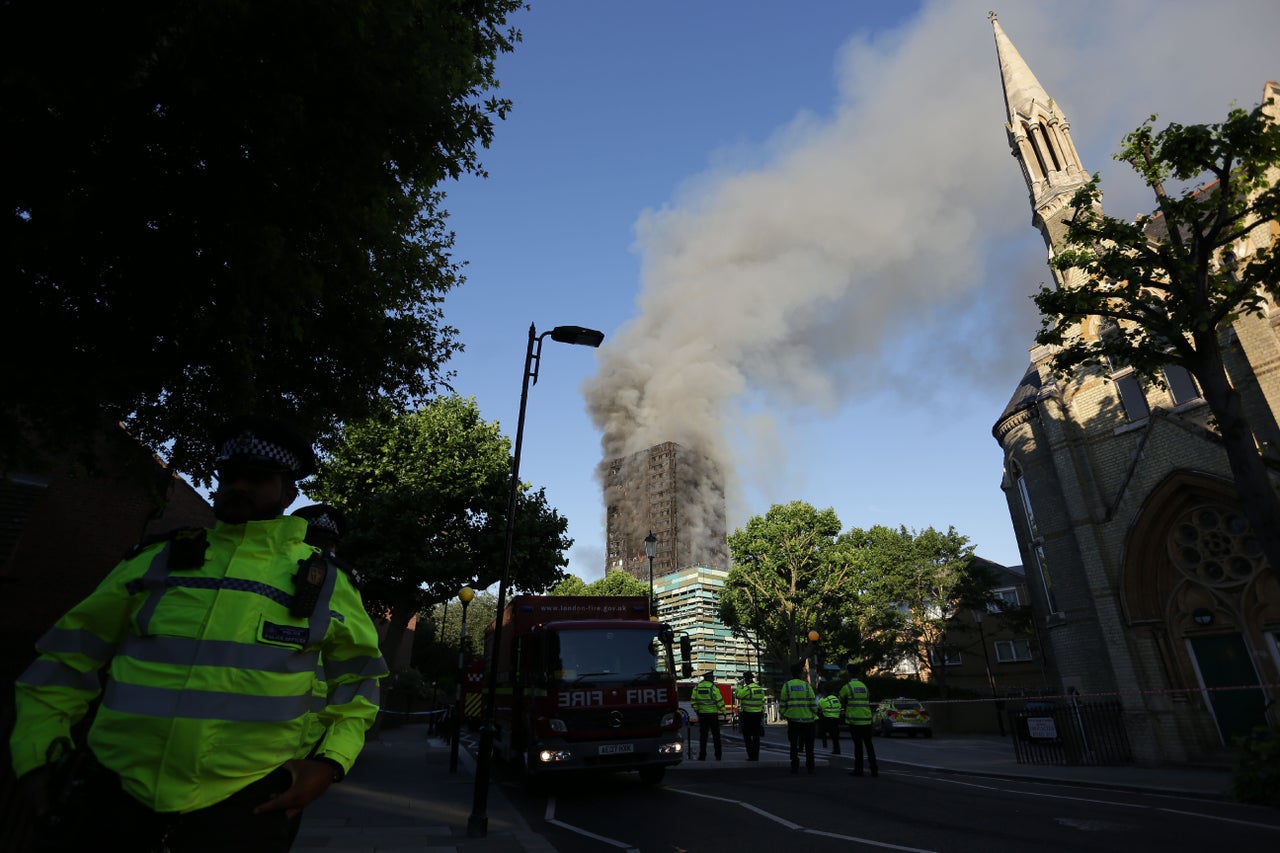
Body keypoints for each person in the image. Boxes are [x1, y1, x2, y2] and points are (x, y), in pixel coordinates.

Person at [9, 415, 389, 851]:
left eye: (257, 478)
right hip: (113, 795)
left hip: (246, 801)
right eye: (229, 476)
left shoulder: (327, 583)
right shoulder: (157, 560)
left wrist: (329, 762)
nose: (239, 487)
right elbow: (63, 661)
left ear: (288, 492)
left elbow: (359, 681)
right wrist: (38, 759)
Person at [779, 662, 818, 774]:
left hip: (793, 720)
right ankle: (810, 767)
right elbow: (812, 704)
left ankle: (794, 766)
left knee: (793, 744)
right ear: (801, 673)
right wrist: (814, 713)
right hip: (808, 720)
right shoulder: (807, 686)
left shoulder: (786, 686)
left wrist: (785, 714)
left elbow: (783, 704)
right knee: (809, 746)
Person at [839, 663, 878, 777]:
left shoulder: (847, 687)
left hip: (855, 721)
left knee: (858, 746)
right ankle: (874, 769)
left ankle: (859, 769)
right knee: (869, 745)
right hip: (866, 719)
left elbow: (841, 699)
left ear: (849, 673)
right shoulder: (863, 686)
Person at [690, 670, 726, 760]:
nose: (713, 679)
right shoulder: (713, 687)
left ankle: (702, 756)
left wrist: (697, 710)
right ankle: (718, 756)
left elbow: (693, 701)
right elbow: (719, 700)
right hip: (712, 714)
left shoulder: (697, 687)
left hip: (702, 715)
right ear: (709, 678)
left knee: (703, 736)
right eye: (712, 677)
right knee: (716, 736)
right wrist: (724, 711)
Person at [734, 671, 766, 761]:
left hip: (748, 715)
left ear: (745, 679)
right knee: (756, 736)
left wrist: (739, 686)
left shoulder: (747, 689)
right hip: (758, 715)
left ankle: (751, 755)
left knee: (747, 736)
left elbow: (738, 695)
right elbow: (762, 701)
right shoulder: (759, 688)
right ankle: (756, 756)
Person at [818, 685, 843, 754]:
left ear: (825, 692)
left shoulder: (823, 700)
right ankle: (837, 750)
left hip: (827, 719)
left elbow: (819, 707)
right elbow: (839, 706)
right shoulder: (836, 699)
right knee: (835, 737)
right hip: (836, 719)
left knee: (822, 729)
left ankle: (824, 742)